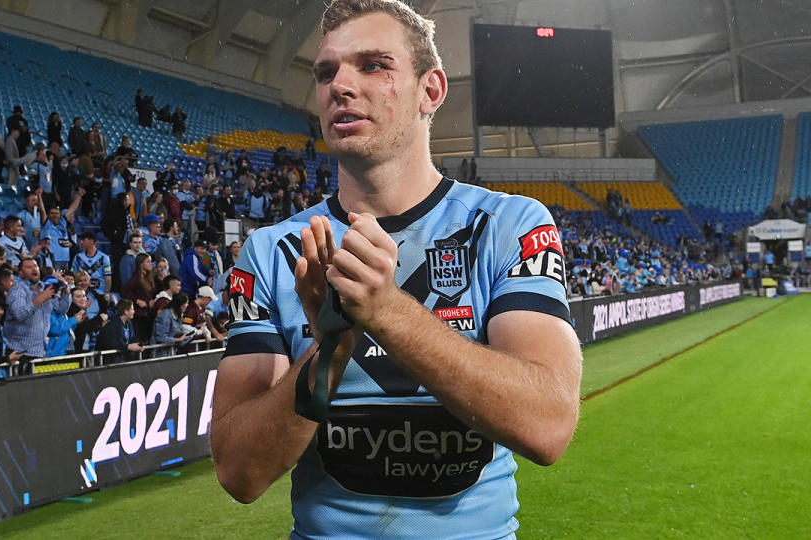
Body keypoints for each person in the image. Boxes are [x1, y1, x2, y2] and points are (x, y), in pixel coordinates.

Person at [209, 3, 582, 538]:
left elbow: (547, 426)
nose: (340, 85)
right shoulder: (273, 250)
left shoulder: (510, 225)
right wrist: (331, 350)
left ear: (430, 91)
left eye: (373, 65)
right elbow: (239, 474)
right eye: (326, 72)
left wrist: (387, 312)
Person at [5, 258, 71, 364]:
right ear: (21, 273)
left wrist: (65, 293)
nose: (34, 269)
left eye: (35, 266)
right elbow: (19, 314)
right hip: (19, 353)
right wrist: (40, 298)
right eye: (29, 267)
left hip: (39, 351)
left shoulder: (44, 287)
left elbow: (60, 310)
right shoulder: (18, 290)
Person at [120, 253, 155, 343]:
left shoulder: (149, 277)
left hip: (149, 311)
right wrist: (137, 300)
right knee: (142, 337)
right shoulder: (136, 278)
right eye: (148, 262)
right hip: (140, 314)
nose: (151, 264)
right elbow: (124, 292)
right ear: (141, 264)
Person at [71, 232, 112, 297]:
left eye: (83, 240)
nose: (81, 242)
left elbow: (108, 279)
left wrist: (106, 294)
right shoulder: (77, 257)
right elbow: (72, 276)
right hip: (82, 294)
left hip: (99, 293)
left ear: (91, 241)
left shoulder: (104, 258)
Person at [69, 285, 107, 353]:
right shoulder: (71, 311)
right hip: (74, 352)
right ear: (71, 299)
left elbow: (89, 328)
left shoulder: (82, 310)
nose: (82, 299)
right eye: (78, 296)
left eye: (84, 296)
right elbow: (82, 328)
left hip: (87, 349)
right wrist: (99, 318)